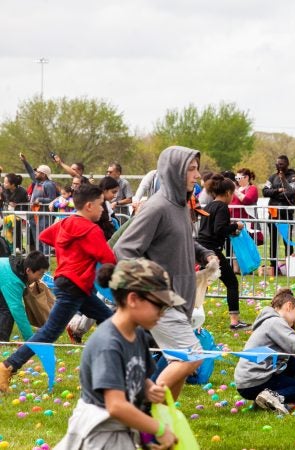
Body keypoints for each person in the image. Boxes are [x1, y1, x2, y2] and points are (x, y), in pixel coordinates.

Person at [114, 146, 218, 400]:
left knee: (180, 362)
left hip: (182, 296)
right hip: (162, 300)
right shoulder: (157, 207)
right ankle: (144, 408)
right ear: (174, 172)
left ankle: (163, 422)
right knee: (191, 356)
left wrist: (204, 253)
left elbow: (181, 239)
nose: (197, 175)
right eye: (191, 169)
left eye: (196, 168)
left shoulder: (181, 205)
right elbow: (123, 249)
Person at [0, 184, 117, 392]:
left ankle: (111, 369)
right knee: (49, 332)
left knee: (110, 320)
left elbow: (45, 235)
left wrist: (69, 250)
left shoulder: (67, 222)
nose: (103, 210)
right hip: (75, 286)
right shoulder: (92, 230)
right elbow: (108, 260)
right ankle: (8, 366)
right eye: (101, 205)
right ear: (89, 206)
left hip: (74, 284)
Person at [55, 259, 181, 450]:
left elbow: (136, 373)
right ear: (133, 300)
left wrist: (148, 388)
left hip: (121, 429)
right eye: (159, 305)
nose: (162, 313)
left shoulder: (137, 334)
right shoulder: (108, 344)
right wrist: (160, 429)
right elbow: (116, 406)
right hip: (100, 435)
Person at [196, 173, 249, 329]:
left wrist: (229, 229)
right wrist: (235, 226)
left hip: (201, 249)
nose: (232, 197)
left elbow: (212, 229)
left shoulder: (210, 205)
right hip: (212, 251)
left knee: (202, 284)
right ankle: (234, 321)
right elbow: (219, 230)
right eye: (232, 194)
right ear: (227, 193)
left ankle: (191, 316)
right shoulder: (222, 207)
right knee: (232, 283)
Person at [262, 155, 295, 269]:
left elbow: (290, 193)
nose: (278, 165)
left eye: (281, 164)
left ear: (287, 164)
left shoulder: (293, 177)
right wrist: (278, 190)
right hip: (273, 213)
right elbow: (264, 191)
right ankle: (273, 265)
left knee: (287, 240)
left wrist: (277, 194)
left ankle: (290, 266)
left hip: (286, 213)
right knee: (273, 240)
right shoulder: (272, 177)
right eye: (277, 163)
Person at [0, 251, 50, 342]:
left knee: (5, 307)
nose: (40, 278)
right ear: (28, 270)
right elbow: (17, 310)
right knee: (8, 310)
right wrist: (30, 339)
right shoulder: (13, 280)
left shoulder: (19, 269)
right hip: (5, 276)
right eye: (40, 274)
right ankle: (2, 340)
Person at [21, 154, 58, 253]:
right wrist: (25, 161)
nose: (35, 173)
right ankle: (39, 263)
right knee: (37, 242)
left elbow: (52, 199)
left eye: (38, 172)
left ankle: (45, 262)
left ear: (44, 174)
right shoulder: (37, 182)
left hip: (44, 218)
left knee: (44, 241)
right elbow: (30, 172)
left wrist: (40, 199)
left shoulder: (49, 184)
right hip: (34, 217)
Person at [96, 176, 120, 241]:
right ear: (104, 190)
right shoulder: (97, 205)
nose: (115, 195)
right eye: (113, 192)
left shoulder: (106, 203)